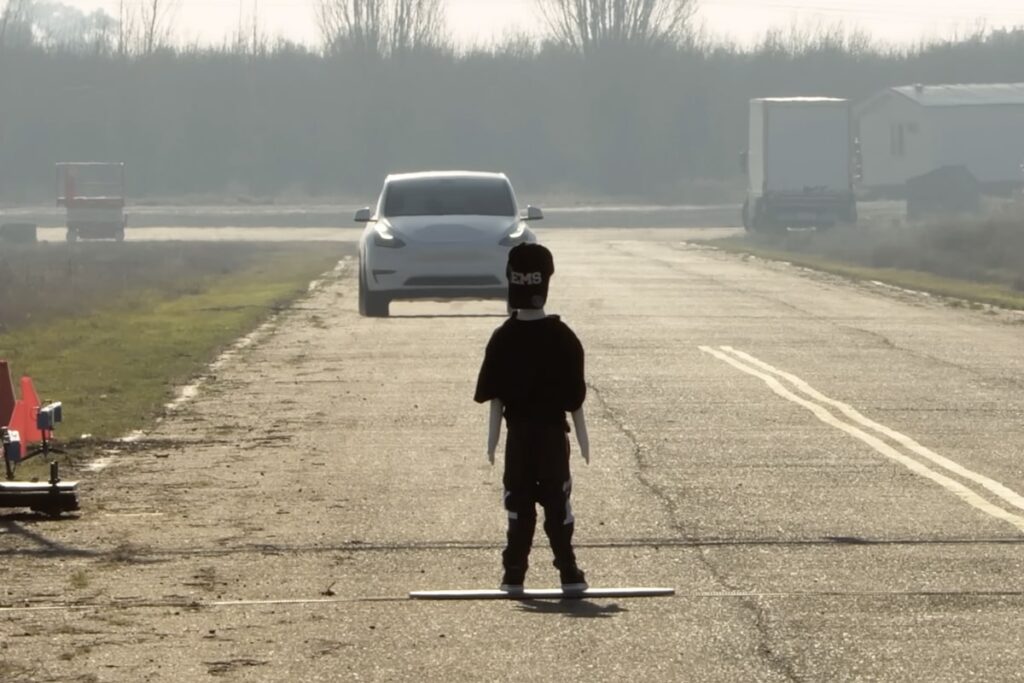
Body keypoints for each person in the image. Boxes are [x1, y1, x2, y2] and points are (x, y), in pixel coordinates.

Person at [474, 243, 591, 593]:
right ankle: (567, 568)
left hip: (519, 435)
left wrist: (493, 442)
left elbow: (494, 398)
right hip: (552, 434)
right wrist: (584, 441)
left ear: (511, 280)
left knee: (518, 502)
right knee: (557, 501)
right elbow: (575, 400)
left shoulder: (503, 338)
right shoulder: (563, 337)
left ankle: (515, 570)